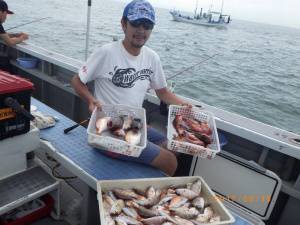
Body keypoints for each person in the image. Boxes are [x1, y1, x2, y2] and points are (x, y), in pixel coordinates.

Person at [71, 0, 191, 176]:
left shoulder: (152, 58)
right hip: (106, 130)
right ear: (123, 24)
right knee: (170, 161)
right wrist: (91, 100)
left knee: (175, 145)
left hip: (133, 123)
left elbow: (163, 92)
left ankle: (143, 175)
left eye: (147, 25)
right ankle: (155, 199)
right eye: (135, 24)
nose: (141, 31)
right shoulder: (107, 52)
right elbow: (76, 80)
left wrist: (187, 107)